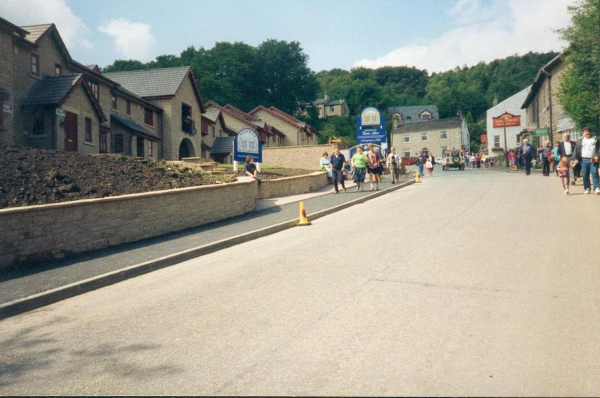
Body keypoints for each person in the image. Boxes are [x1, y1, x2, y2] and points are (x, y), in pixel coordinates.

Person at [573, 127, 600, 194]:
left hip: (593, 159)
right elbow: (576, 150)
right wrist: (575, 158)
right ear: (583, 133)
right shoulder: (580, 140)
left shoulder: (595, 139)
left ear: (590, 132)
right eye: (585, 132)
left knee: (594, 173)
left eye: (588, 131)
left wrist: (597, 155)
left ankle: (596, 187)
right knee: (585, 174)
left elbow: (599, 149)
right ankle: (587, 188)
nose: (587, 133)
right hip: (584, 159)